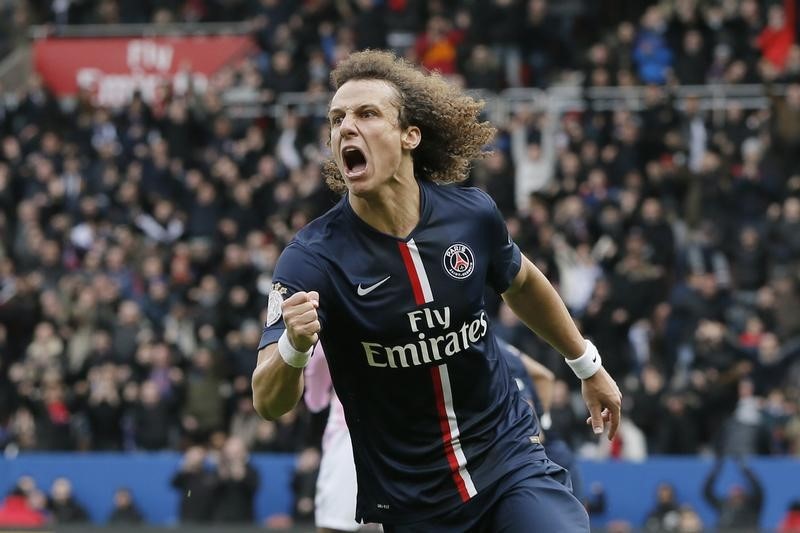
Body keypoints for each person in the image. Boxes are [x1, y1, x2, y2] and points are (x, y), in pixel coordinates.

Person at [252, 49, 622, 532]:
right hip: (413, 503)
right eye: (336, 118)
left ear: (410, 135)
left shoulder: (471, 214)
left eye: (367, 114)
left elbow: (524, 281)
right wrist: (294, 348)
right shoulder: (309, 260)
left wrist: (586, 364)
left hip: (509, 462)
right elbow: (268, 401)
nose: (345, 127)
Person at [702, 456, 764, 530]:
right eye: (734, 496)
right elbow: (707, 492)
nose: (736, 498)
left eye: (739, 496)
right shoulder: (723, 506)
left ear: (744, 497)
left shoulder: (752, 507)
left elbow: (758, 490)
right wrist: (716, 470)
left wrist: (745, 469)